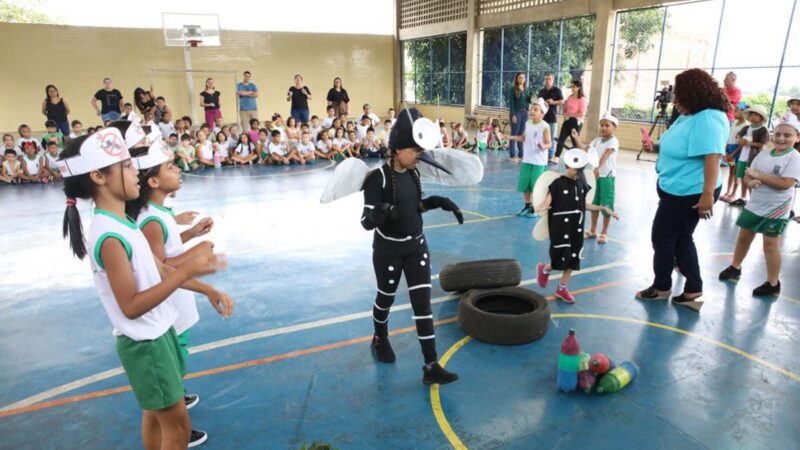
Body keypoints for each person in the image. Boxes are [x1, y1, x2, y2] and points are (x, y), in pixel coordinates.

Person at [58, 129, 231, 450]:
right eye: (125, 166)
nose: (135, 171)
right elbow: (131, 305)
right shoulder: (109, 235)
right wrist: (188, 271)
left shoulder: (122, 223)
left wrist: (204, 287)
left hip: (157, 334)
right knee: (177, 429)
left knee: (155, 416)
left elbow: (160, 269)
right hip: (146, 343)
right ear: (98, 176)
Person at [361, 108, 462, 385]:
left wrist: (437, 202)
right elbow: (365, 222)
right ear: (397, 149)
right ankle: (379, 337)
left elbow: (415, 206)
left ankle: (431, 365)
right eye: (416, 150)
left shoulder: (414, 174)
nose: (420, 156)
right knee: (386, 296)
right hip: (388, 251)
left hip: (416, 247)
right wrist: (377, 215)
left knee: (423, 305)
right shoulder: (377, 179)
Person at [635, 69, 729, 311]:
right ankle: (692, 290)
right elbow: (679, 146)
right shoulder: (689, 115)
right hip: (677, 188)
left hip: (691, 192)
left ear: (694, 94)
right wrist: (655, 147)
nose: (675, 100)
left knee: (663, 238)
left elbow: (712, 157)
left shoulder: (708, 118)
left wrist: (707, 195)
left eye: (680, 95)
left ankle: (662, 286)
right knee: (680, 238)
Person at [718, 117, 800, 297]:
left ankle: (773, 283)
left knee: (770, 245)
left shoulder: (794, 157)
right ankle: (735, 267)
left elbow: (786, 183)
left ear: (797, 137)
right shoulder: (764, 154)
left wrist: (759, 176)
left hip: (777, 208)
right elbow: (748, 175)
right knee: (743, 238)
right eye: (777, 134)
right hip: (755, 203)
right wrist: (751, 181)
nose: (781, 138)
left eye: (787, 135)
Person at [536, 148, 618, 303]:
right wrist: (541, 206)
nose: (579, 173)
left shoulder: (582, 182)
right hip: (560, 227)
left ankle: (562, 288)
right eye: (576, 169)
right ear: (567, 165)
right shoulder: (557, 184)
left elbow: (583, 204)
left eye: (581, 169)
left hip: (576, 226)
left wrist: (602, 208)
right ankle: (545, 269)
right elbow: (546, 202)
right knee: (560, 256)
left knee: (573, 257)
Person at [572, 113, 620, 244]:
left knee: (606, 204)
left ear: (614, 127)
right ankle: (593, 230)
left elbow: (606, 154)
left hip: (607, 178)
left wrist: (598, 168)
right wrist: (576, 138)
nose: (603, 128)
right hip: (595, 177)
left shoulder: (613, 141)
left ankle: (604, 232)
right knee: (594, 203)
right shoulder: (596, 140)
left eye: (607, 125)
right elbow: (584, 148)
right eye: (602, 125)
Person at [506, 98, 551, 218]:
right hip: (527, 160)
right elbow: (523, 138)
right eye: (532, 109)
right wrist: (511, 137)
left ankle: (535, 209)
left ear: (542, 113)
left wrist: (543, 146)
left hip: (539, 162)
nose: (532, 111)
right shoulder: (527, 123)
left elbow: (549, 144)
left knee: (536, 186)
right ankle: (527, 206)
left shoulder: (545, 126)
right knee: (525, 185)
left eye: (536, 110)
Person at [730, 105, 770, 206]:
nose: (753, 117)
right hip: (743, 157)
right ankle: (743, 198)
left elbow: (763, 144)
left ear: (761, 118)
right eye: (751, 115)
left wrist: (749, 143)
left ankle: (753, 200)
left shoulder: (763, 130)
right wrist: (740, 141)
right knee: (743, 178)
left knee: (752, 179)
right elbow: (739, 137)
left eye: (756, 116)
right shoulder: (747, 127)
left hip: (754, 158)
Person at [721, 103, 749, 203]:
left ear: (745, 113)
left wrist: (734, 153)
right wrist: (726, 150)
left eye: (738, 110)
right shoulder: (734, 122)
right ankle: (728, 192)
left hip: (737, 151)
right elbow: (729, 136)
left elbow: (742, 143)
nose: (735, 111)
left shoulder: (745, 126)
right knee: (731, 171)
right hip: (730, 148)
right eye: (735, 110)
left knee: (737, 173)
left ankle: (733, 194)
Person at [554, 80, 587, 162]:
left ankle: (577, 159)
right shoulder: (569, 97)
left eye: (574, 87)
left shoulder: (582, 99)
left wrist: (570, 115)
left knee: (575, 142)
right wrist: (565, 114)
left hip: (576, 122)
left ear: (579, 88)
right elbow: (565, 109)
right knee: (561, 139)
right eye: (572, 86)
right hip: (567, 121)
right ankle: (556, 157)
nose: (572, 88)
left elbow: (582, 114)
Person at [538, 73, 564, 162]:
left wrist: (553, 102)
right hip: (542, 118)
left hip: (552, 118)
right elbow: (538, 102)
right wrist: (543, 103)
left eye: (549, 79)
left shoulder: (557, 90)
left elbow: (562, 101)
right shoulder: (541, 91)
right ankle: (542, 153)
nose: (548, 80)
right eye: (546, 79)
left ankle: (551, 155)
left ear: (552, 80)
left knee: (552, 137)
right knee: (542, 136)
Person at [508, 72, 532, 163]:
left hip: (524, 113)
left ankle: (521, 154)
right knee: (514, 134)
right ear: (517, 79)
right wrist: (513, 115)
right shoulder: (513, 89)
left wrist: (524, 92)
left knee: (521, 135)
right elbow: (511, 104)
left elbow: (529, 101)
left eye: (523, 77)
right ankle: (512, 155)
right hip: (516, 113)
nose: (522, 79)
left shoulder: (527, 89)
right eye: (520, 77)